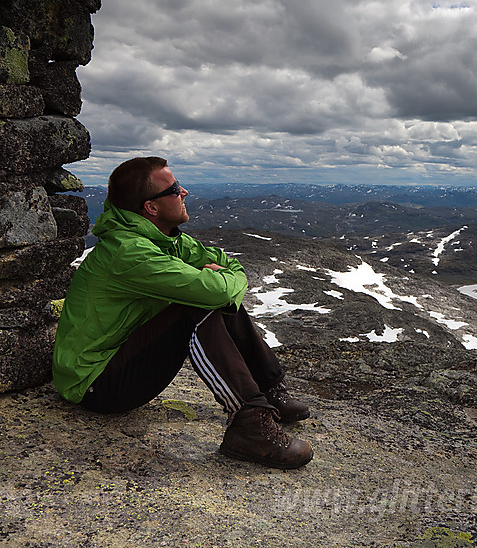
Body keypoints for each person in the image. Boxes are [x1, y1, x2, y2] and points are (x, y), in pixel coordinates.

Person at [52, 156, 313, 469]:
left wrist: (225, 280)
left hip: (117, 363)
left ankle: (269, 389)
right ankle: (250, 424)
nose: (184, 191)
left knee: (211, 295)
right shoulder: (130, 253)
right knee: (195, 306)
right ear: (151, 207)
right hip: (95, 385)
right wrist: (227, 281)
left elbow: (220, 262)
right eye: (174, 189)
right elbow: (218, 286)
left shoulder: (164, 240)